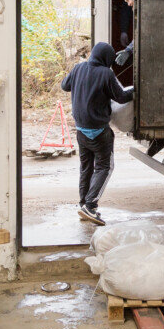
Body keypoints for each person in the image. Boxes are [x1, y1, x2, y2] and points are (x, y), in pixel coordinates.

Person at [61, 41, 133, 225]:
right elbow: (121, 97)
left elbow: (64, 86)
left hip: (81, 131)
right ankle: (90, 206)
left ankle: (83, 202)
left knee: (86, 168)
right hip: (99, 131)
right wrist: (134, 89)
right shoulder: (106, 73)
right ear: (107, 59)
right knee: (104, 167)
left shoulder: (78, 68)